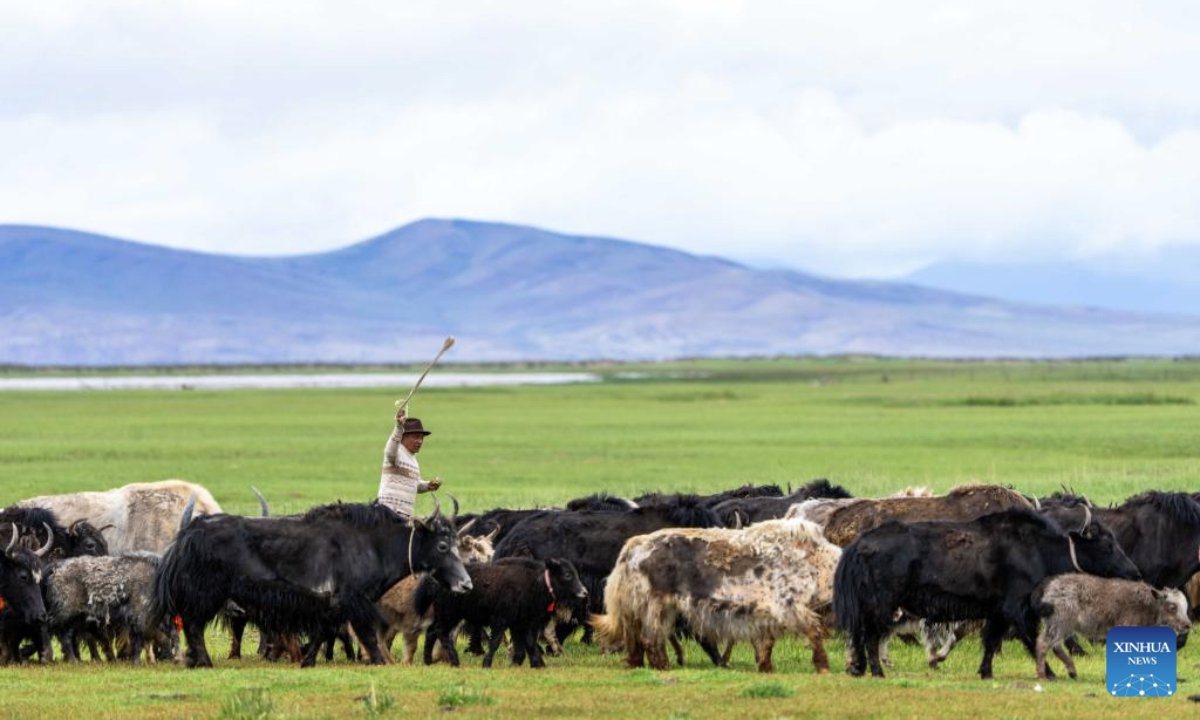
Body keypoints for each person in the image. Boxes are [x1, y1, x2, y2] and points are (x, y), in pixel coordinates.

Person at [377, 409, 443, 518]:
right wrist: (398, 428)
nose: (420, 441)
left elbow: (414, 485)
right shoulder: (396, 452)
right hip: (388, 512)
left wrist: (427, 486)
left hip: (404, 515)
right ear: (403, 437)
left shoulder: (412, 459)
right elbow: (389, 450)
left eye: (421, 438)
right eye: (416, 437)